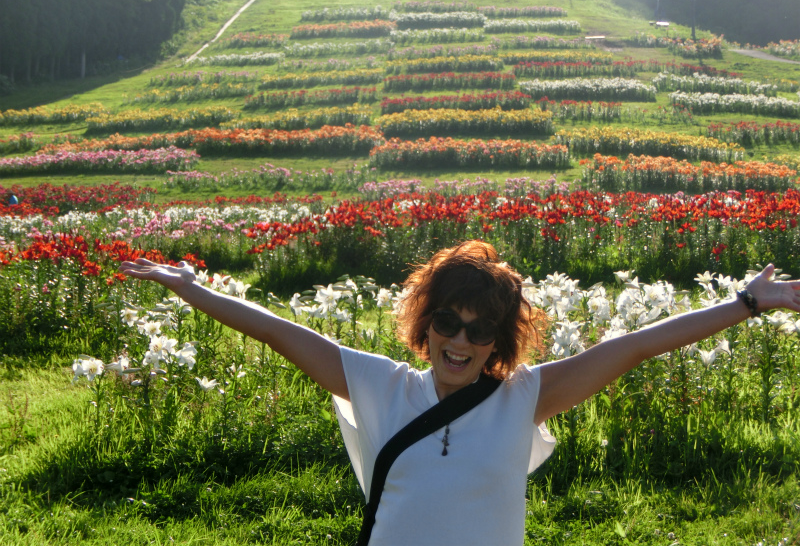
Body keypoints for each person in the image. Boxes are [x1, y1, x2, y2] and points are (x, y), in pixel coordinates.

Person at [119, 240, 800, 545]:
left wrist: (745, 303)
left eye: (480, 330)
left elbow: (633, 347)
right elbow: (277, 331)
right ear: (425, 325)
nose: (460, 341)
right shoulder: (381, 386)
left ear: (498, 341)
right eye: (447, 321)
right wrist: (194, 290)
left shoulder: (524, 397)